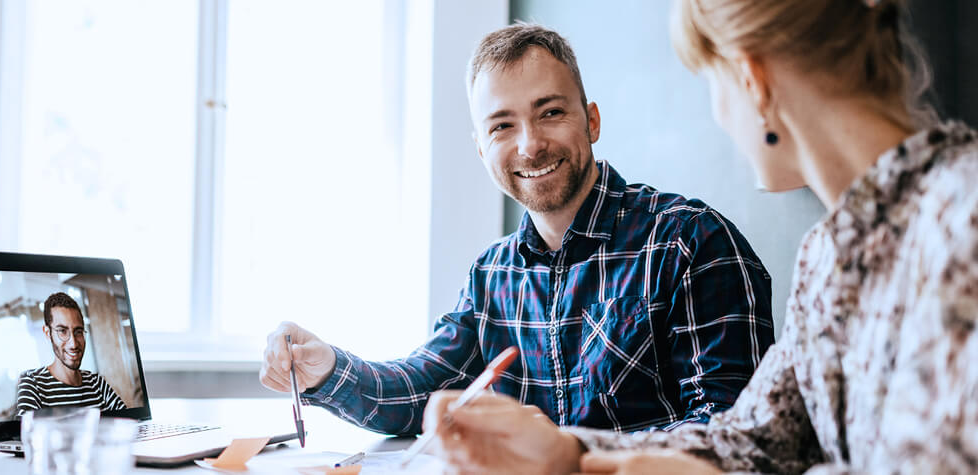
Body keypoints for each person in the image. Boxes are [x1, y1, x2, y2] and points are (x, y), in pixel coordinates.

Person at [424, 0, 978, 473]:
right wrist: (568, 450)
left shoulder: (961, 217)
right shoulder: (828, 254)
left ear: (750, 79)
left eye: (710, 83)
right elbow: (752, 441)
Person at [259, 23, 774, 436]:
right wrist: (326, 369)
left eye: (550, 113)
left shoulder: (691, 242)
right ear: (482, 148)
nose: (530, 145)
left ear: (591, 121)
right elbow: (418, 394)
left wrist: (568, 453)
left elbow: (733, 435)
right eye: (502, 125)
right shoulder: (491, 275)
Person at [16, 292, 127, 416]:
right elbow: (25, 434)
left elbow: (130, 423)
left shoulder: (97, 383)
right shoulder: (33, 384)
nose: (73, 344)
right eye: (62, 331)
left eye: (78, 331)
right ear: (48, 333)